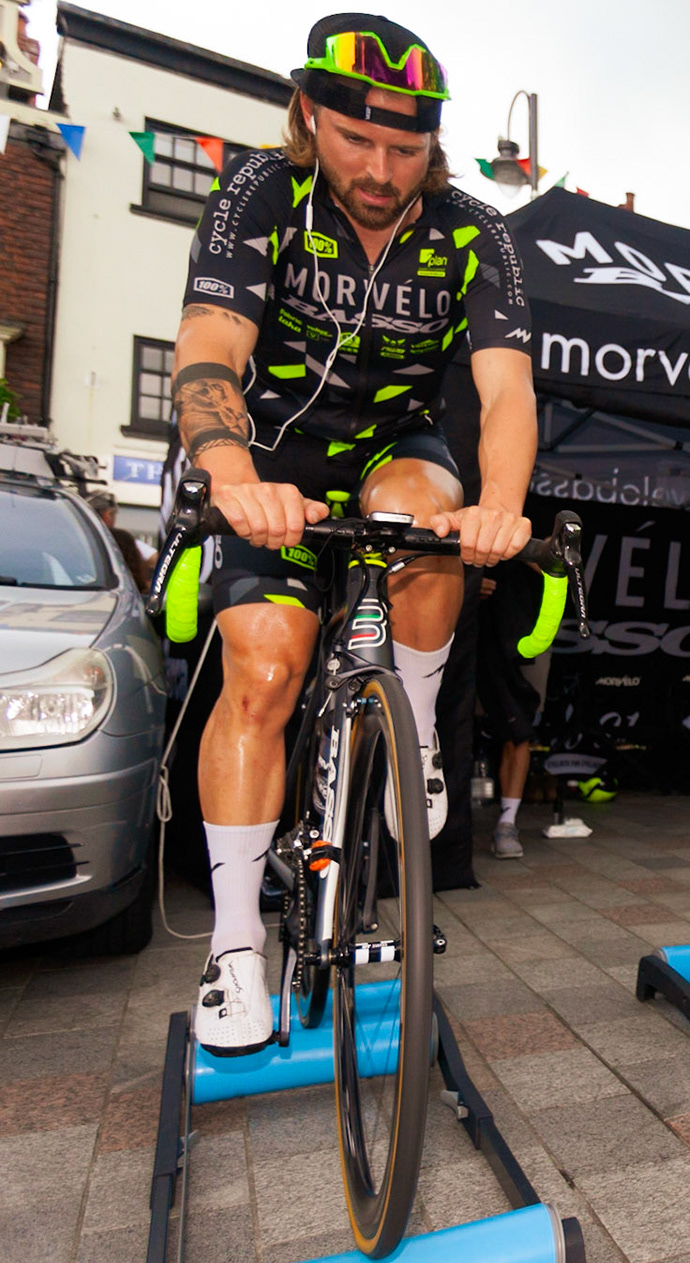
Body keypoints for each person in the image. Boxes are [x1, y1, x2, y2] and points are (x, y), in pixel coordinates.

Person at [171, 15, 534, 1054]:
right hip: (271, 456)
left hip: (393, 446)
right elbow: (209, 344)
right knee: (264, 670)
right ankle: (234, 946)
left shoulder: (475, 230)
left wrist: (502, 504)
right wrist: (234, 478)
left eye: (406, 149)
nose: (380, 170)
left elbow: (506, 391)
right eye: (356, 140)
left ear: (434, 143)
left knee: (429, 521)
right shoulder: (261, 191)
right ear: (308, 115)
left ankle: (411, 734)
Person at [476, 562, 552, 858]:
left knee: (519, 729)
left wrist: (531, 551)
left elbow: (563, 566)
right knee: (450, 723)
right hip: (472, 627)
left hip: (526, 628)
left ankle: (507, 823)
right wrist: (468, 582)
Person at [87, 489, 154, 591]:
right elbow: (154, 558)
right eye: (114, 514)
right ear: (108, 514)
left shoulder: (78, 537)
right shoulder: (120, 539)